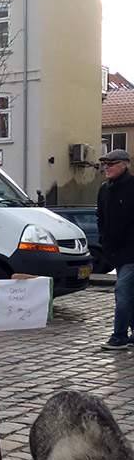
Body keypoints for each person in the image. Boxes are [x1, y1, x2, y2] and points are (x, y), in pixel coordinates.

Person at [98, 148, 134, 349]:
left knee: (122, 291)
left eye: (111, 164)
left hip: (131, 252)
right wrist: (104, 239)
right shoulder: (104, 189)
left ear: (124, 164)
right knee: (129, 293)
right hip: (116, 252)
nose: (107, 167)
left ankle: (119, 336)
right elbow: (100, 217)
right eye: (105, 164)